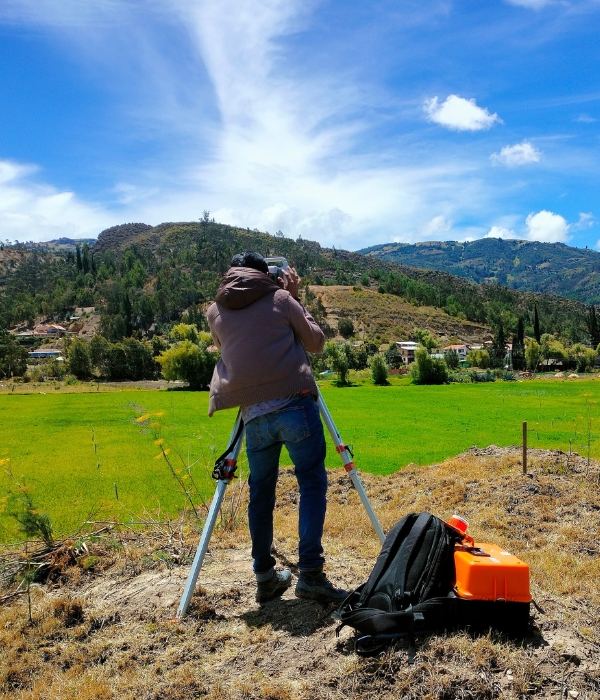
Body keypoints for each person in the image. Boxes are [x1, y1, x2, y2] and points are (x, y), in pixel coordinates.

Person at [207, 251, 347, 605]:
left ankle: (265, 578)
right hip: (294, 404)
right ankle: (311, 574)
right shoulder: (281, 298)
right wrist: (296, 300)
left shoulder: (215, 312)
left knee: (261, 492)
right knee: (312, 481)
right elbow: (315, 342)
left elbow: (236, 352)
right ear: (267, 274)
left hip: (253, 417)